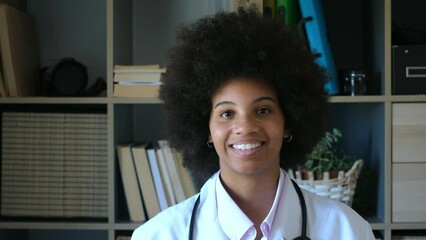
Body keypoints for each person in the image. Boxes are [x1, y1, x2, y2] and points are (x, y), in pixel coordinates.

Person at [132, 9, 376, 240]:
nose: (246, 126)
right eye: (227, 113)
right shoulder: (157, 235)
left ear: (288, 122)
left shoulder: (349, 231)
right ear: (205, 129)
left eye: (263, 110)